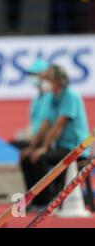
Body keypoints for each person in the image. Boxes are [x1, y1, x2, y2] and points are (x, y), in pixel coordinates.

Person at [20, 65, 90, 210]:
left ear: (57, 81)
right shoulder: (52, 98)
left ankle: (48, 198)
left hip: (75, 148)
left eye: (46, 79)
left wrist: (44, 148)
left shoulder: (71, 96)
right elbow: (45, 124)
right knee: (27, 157)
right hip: (60, 147)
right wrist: (32, 147)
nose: (43, 82)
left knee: (42, 158)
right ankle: (37, 200)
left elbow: (59, 124)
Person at [11, 59, 52, 150]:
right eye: (31, 75)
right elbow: (30, 123)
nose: (32, 78)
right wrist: (26, 135)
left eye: (35, 75)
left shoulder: (51, 97)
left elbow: (48, 124)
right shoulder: (36, 99)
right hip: (33, 139)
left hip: (43, 141)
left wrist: (34, 140)